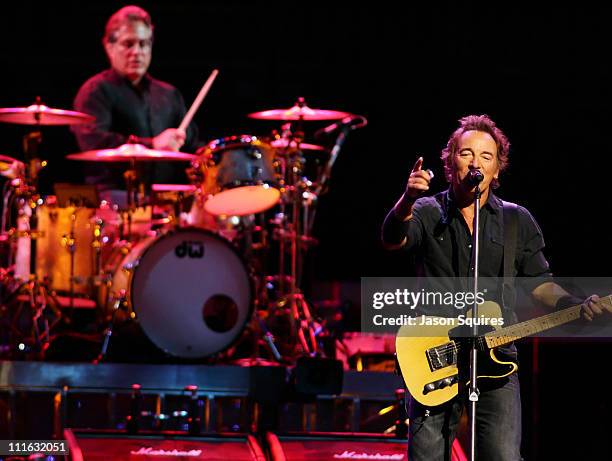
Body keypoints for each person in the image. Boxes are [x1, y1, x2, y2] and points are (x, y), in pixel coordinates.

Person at [381, 114, 610, 460]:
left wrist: (576, 303)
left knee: (502, 455)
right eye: (466, 154)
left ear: (497, 170)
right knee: (427, 455)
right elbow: (392, 240)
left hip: (496, 354)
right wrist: (406, 202)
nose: (476, 162)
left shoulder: (517, 220)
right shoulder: (427, 211)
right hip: (433, 353)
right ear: (449, 163)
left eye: (486, 157)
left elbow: (538, 285)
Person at [71, 5, 199, 194]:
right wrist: (152, 145)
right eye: (128, 44)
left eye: (144, 43)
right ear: (109, 46)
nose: (137, 51)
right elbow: (94, 142)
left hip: (165, 197)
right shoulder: (95, 91)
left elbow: (193, 144)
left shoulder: (169, 94)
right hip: (112, 198)